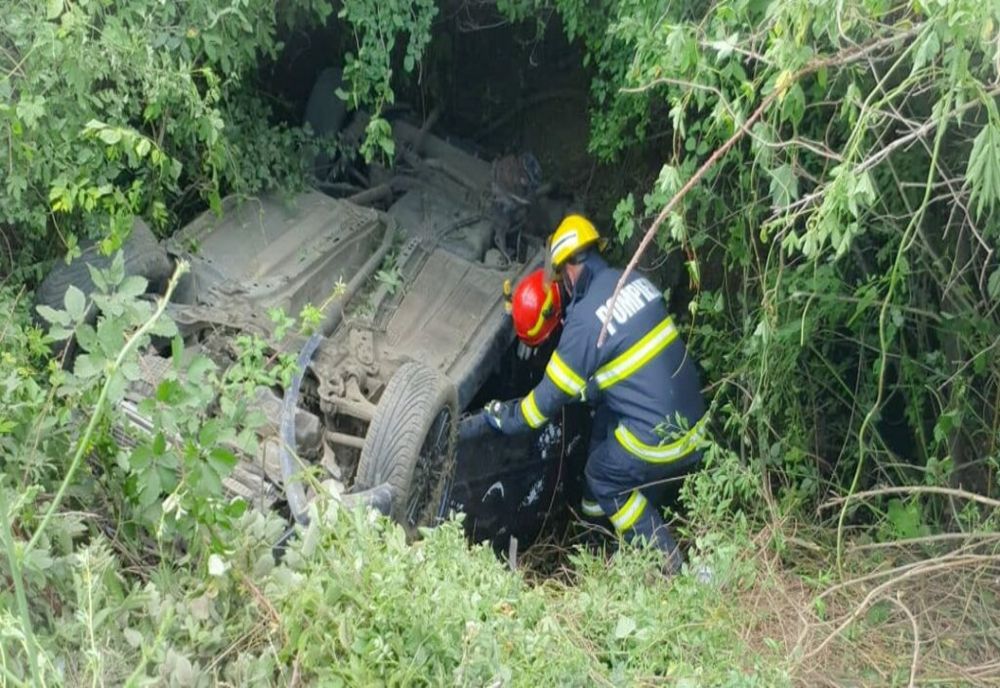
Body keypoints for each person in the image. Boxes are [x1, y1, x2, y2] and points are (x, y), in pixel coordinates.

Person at [482, 214, 707, 574]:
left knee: (603, 475)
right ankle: (595, 539)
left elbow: (539, 410)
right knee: (603, 436)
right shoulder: (632, 280)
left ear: (569, 269)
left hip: (663, 441)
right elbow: (627, 369)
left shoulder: (586, 321)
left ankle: (673, 567)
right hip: (696, 425)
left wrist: (498, 416)